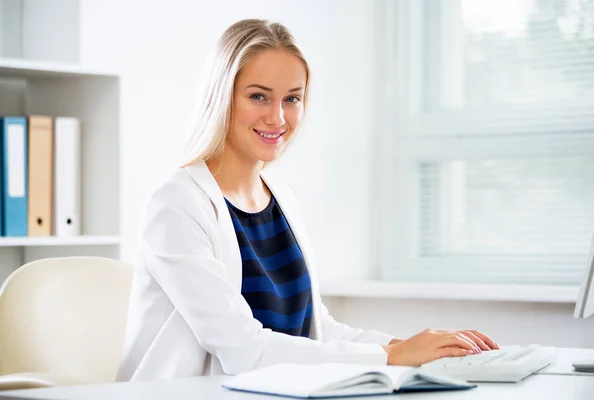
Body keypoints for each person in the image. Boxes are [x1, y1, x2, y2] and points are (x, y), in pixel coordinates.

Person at [116, 18, 499, 382]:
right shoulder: (177, 205)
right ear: (222, 97)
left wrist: (414, 346)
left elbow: (316, 329)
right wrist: (390, 356)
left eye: (292, 99)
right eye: (258, 97)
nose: (278, 117)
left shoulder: (281, 198)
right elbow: (241, 348)